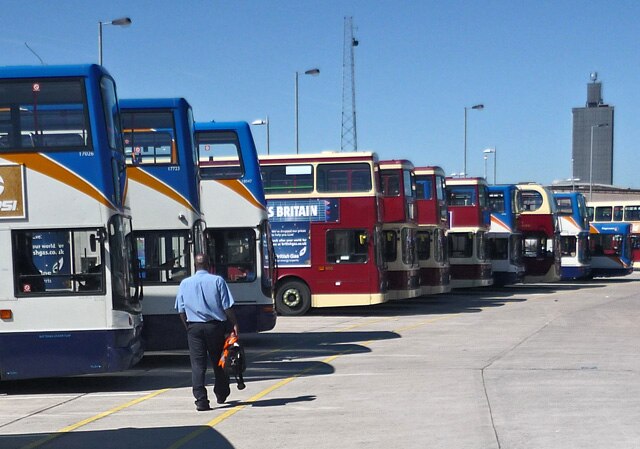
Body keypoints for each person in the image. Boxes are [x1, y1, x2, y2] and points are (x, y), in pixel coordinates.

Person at [175, 253, 239, 411]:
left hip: (194, 328)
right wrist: (234, 324)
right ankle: (221, 392)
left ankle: (201, 400)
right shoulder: (217, 281)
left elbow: (180, 310)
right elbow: (227, 306)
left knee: (197, 365)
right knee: (219, 361)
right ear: (209, 265)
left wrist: (188, 327)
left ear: (195, 266)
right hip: (215, 327)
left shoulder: (185, 283)